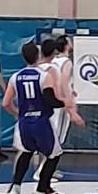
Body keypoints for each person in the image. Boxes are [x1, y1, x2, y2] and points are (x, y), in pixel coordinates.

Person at [2, 41, 83, 194]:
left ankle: (15, 188)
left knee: (26, 152)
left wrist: (17, 113)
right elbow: (49, 100)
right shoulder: (44, 76)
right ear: (37, 56)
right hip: (41, 121)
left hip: (24, 122)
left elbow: (6, 103)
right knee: (54, 155)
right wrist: (65, 102)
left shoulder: (15, 77)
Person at [34, 34, 75, 183]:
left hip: (48, 102)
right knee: (56, 138)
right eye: (70, 41)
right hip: (59, 103)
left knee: (51, 136)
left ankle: (48, 168)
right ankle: (41, 172)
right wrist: (69, 102)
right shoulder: (66, 62)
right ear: (66, 45)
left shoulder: (53, 61)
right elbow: (64, 83)